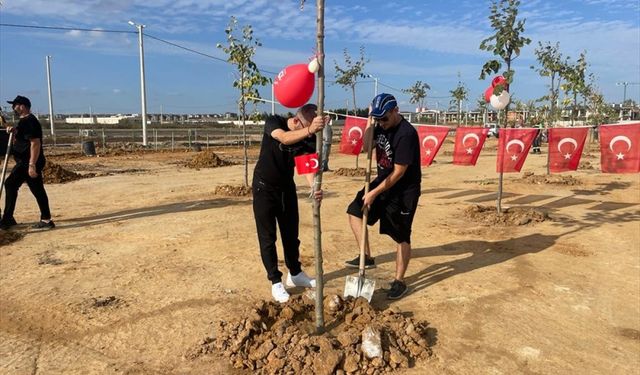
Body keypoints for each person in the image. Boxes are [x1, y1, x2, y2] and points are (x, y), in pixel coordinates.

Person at [344, 93, 421, 300]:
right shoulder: (378, 124)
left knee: (401, 235)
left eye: (384, 118)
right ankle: (366, 256)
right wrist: (370, 122)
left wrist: (373, 193)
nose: (382, 123)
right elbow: (367, 147)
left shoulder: (406, 134)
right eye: (378, 119)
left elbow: (399, 172)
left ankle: (399, 281)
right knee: (354, 211)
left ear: (396, 111)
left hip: (403, 190)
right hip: (382, 182)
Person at [252, 103, 326, 303]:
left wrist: (314, 187)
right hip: (263, 188)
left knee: (291, 235)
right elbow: (283, 138)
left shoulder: (307, 139)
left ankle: (295, 273)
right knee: (267, 237)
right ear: (295, 121)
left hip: (286, 189)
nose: (307, 135)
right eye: (303, 129)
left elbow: (307, 167)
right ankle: (276, 281)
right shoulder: (274, 122)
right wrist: (310, 129)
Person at [0, 95, 55, 231]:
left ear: (22, 106)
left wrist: (32, 164)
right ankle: (45, 219)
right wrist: (13, 130)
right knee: (36, 189)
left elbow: (35, 143)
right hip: (25, 161)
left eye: (15, 105)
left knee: (11, 184)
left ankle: (8, 219)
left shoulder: (30, 121)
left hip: (28, 161)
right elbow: (22, 136)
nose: (13, 108)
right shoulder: (23, 121)